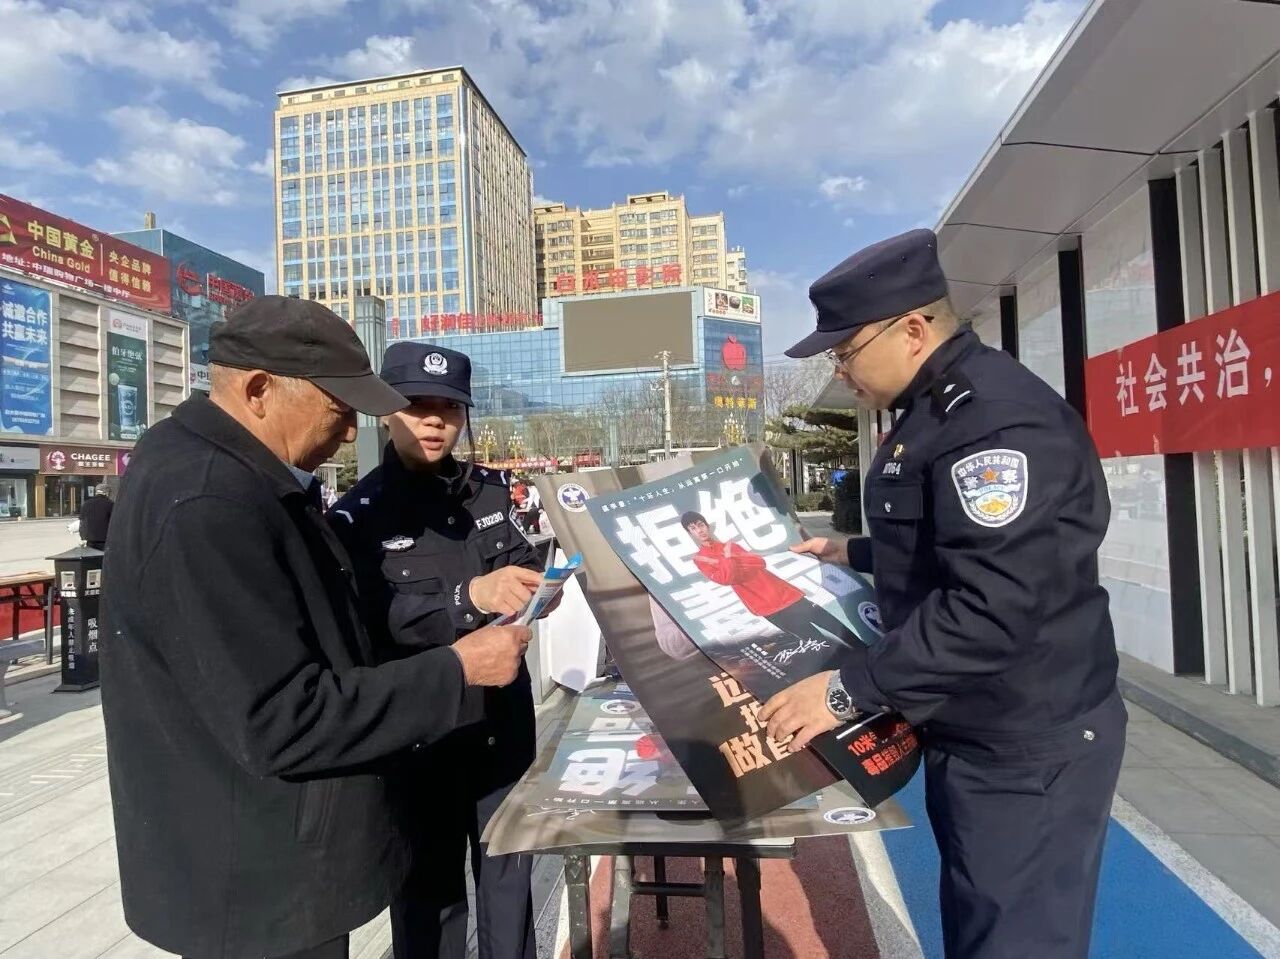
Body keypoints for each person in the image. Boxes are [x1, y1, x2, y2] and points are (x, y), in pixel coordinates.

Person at [99, 297, 532, 959]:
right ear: (258, 390)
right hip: (254, 878)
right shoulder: (210, 501)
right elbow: (284, 715)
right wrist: (458, 666)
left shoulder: (234, 474)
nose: (350, 431)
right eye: (338, 409)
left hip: (268, 856)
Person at [759, 229, 1123, 959]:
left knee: (1014, 941)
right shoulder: (934, 412)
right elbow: (951, 546)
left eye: (845, 350)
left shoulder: (991, 422)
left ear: (912, 330)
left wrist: (845, 691)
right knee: (979, 922)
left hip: (1026, 741)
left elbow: (993, 606)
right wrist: (850, 551)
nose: (841, 369)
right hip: (978, 726)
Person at [331, 344, 547, 959]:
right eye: (416, 405)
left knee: (509, 884)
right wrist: (468, 597)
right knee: (429, 897)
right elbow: (369, 622)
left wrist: (539, 590)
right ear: (385, 412)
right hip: (421, 733)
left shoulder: (490, 492)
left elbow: (521, 563)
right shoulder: (356, 517)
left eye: (449, 408)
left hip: (501, 725)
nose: (434, 420)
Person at [681, 511, 852, 650]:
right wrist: (730, 559)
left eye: (701, 525)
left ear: (707, 526)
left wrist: (733, 566)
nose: (699, 530)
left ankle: (864, 651)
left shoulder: (731, 546)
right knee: (817, 642)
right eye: (693, 528)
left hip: (786, 595)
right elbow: (726, 579)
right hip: (766, 607)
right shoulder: (701, 559)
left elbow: (759, 562)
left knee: (836, 627)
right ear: (690, 533)